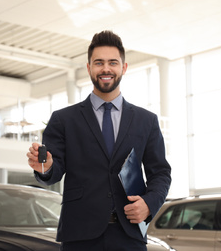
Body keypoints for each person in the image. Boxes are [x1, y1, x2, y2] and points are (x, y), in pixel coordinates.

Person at [27, 30, 171, 250]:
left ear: (123, 67)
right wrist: (44, 167)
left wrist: (149, 204)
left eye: (113, 63)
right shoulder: (63, 119)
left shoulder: (146, 121)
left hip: (129, 234)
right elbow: (52, 171)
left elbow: (160, 172)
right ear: (89, 68)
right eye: (99, 63)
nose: (106, 69)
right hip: (80, 236)